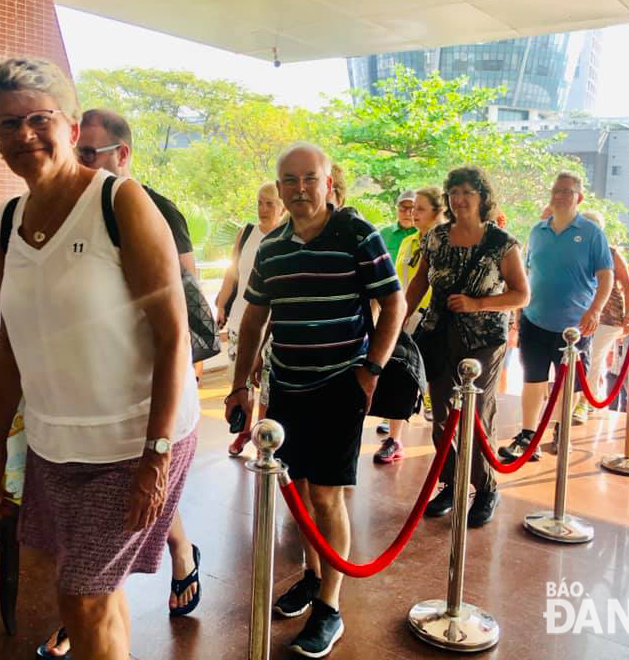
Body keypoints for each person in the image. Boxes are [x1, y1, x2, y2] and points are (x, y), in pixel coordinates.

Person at [0, 58, 200, 660]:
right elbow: (11, 339)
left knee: (80, 599)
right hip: (57, 444)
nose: (23, 134)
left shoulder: (118, 201)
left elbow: (174, 335)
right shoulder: (6, 222)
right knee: (95, 592)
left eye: (37, 118)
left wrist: (156, 457)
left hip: (134, 440)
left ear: (71, 130)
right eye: (6, 123)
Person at [31, 108, 203, 659]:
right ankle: (96, 618)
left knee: (84, 591)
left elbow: (180, 311)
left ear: (121, 156)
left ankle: (180, 557)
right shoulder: (38, 212)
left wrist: (157, 446)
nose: (73, 163)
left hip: (142, 419)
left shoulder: (142, 208)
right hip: (72, 428)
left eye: (88, 153)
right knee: (89, 586)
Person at [225, 143, 405, 657]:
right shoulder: (273, 246)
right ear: (279, 187)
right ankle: (310, 574)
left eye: (310, 178)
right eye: (289, 180)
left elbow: (393, 300)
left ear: (328, 183)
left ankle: (330, 605)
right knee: (298, 494)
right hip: (286, 387)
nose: (299, 189)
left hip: (339, 385)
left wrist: (371, 369)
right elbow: (256, 316)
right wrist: (241, 384)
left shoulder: (356, 232)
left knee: (325, 497)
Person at [405, 166, 529, 523]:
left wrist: (478, 304)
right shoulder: (437, 237)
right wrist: (398, 323)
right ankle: (450, 483)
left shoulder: (501, 242)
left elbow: (522, 294)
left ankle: (486, 487)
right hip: (439, 333)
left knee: (476, 415)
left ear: (482, 198)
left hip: (484, 340)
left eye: (467, 192)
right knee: (442, 416)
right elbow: (417, 284)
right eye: (454, 192)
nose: (459, 199)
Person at [500, 172, 613, 461]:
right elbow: (525, 276)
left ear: (579, 197)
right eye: (556, 190)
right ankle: (528, 436)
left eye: (567, 191)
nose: (560, 195)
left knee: (570, 382)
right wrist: (516, 317)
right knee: (532, 379)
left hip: (574, 328)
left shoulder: (591, 233)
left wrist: (595, 310)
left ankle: (561, 432)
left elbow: (606, 277)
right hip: (534, 320)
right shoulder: (538, 231)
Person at [374, 186, 445, 463]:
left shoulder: (446, 243)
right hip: (406, 318)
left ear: (438, 212)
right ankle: (394, 439)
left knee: (437, 384)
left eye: (420, 209)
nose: (414, 214)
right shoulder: (408, 243)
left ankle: (446, 450)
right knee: (398, 377)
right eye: (411, 208)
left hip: (435, 320)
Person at [215, 183, 286, 455]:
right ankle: (244, 432)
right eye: (259, 202)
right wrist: (221, 304)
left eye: (269, 203)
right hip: (239, 321)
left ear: (281, 208)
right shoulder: (245, 233)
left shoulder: (283, 238)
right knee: (241, 381)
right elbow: (232, 273)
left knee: (266, 385)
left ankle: (262, 436)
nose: (263, 209)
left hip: (269, 326)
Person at [572, 210, 629, 424]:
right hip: (578, 315)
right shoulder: (571, 250)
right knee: (580, 358)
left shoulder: (611, 252)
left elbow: (627, 284)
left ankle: (583, 402)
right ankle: (586, 397)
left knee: (593, 356)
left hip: (608, 318)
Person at [374, 189, 417, 434]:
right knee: (384, 356)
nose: (408, 212)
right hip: (382, 302)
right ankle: (387, 412)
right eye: (403, 207)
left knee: (404, 358)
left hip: (409, 305)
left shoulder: (420, 235)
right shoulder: (385, 234)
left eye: (413, 207)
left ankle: (401, 411)